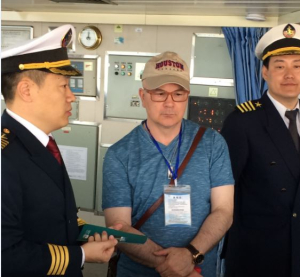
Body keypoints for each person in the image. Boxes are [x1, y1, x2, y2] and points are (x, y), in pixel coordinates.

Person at [102, 51, 234, 277]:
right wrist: (174, 265)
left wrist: (190, 255)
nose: (170, 103)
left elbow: (224, 210)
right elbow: (120, 227)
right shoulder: (119, 154)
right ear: (143, 96)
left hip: (199, 269)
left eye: (178, 94)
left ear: (187, 97)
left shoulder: (213, 144)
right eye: (160, 93)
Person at [1, 24, 118, 277]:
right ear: (26, 90)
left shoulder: (42, 143)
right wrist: (84, 255)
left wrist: (89, 234)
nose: (72, 97)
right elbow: (5, 255)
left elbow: (51, 214)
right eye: (63, 86)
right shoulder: (5, 158)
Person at [221, 23, 300, 277]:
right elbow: (224, 191)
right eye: (280, 66)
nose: (290, 75)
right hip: (258, 254)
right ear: (265, 72)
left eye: (297, 66)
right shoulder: (243, 121)